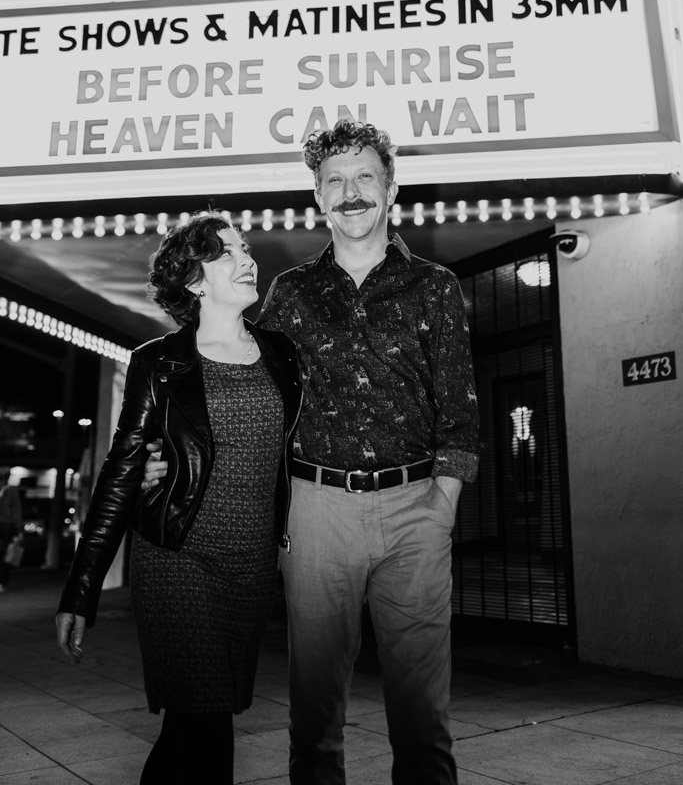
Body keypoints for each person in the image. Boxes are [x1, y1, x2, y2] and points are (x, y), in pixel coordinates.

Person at [145, 121, 480, 784]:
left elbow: (459, 407)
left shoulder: (435, 286)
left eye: (363, 178)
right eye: (334, 181)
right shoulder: (291, 294)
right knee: (314, 714)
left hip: (417, 510)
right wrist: (170, 448)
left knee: (422, 716)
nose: (350, 192)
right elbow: (238, 376)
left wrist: (443, 499)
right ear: (317, 197)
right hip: (317, 510)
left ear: (389, 188)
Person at [56, 212, 302, 785]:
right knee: (207, 727)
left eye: (244, 248)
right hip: (177, 561)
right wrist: (82, 588)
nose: (247, 259)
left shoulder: (283, 355)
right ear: (194, 281)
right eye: (226, 254)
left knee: (189, 728)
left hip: (250, 569)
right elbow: (121, 472)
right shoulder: (157, 363)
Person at [0, 467, 24, 592]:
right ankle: (2, 582)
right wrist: (19, 530)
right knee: (7, 554)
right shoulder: (12, 491)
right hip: (7, 526)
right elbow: (16, 513)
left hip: (6, 525)